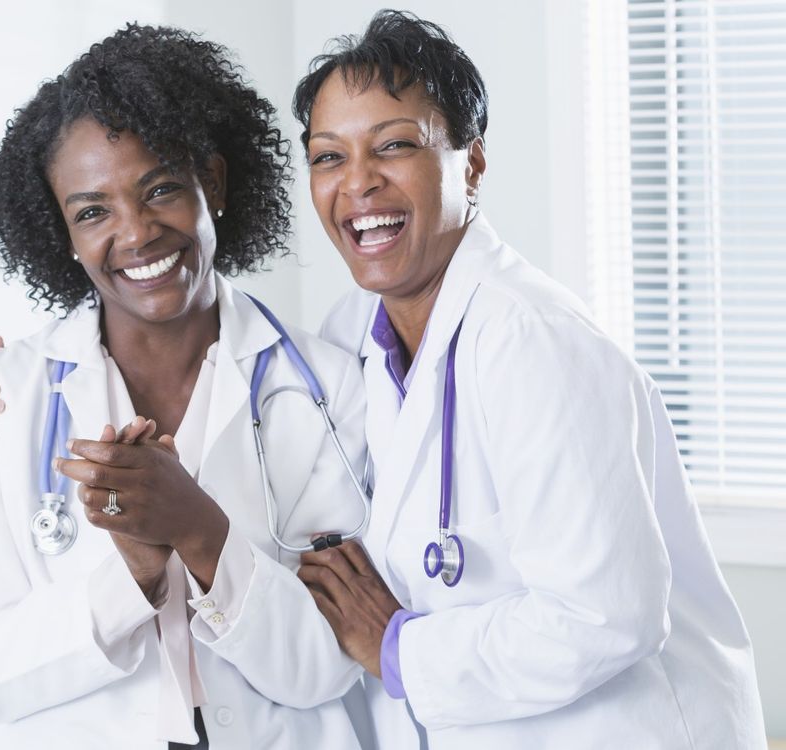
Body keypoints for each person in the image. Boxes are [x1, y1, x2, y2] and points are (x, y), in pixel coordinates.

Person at [292, 10, 766, 750]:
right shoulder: (349, 335)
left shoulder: (531, 341)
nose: (358, 183)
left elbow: (607, 615)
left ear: (471, 164)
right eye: (329, 157)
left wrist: (396, 647)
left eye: (395, 145)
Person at [0, 24, 372, 750]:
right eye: (92, 211)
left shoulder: (327, 387)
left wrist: (198, 529)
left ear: (214, 184)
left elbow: (328, 668)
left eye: (161, 187)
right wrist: (130, 573)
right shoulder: (7, 400)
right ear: (63, 235)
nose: (135, 234)